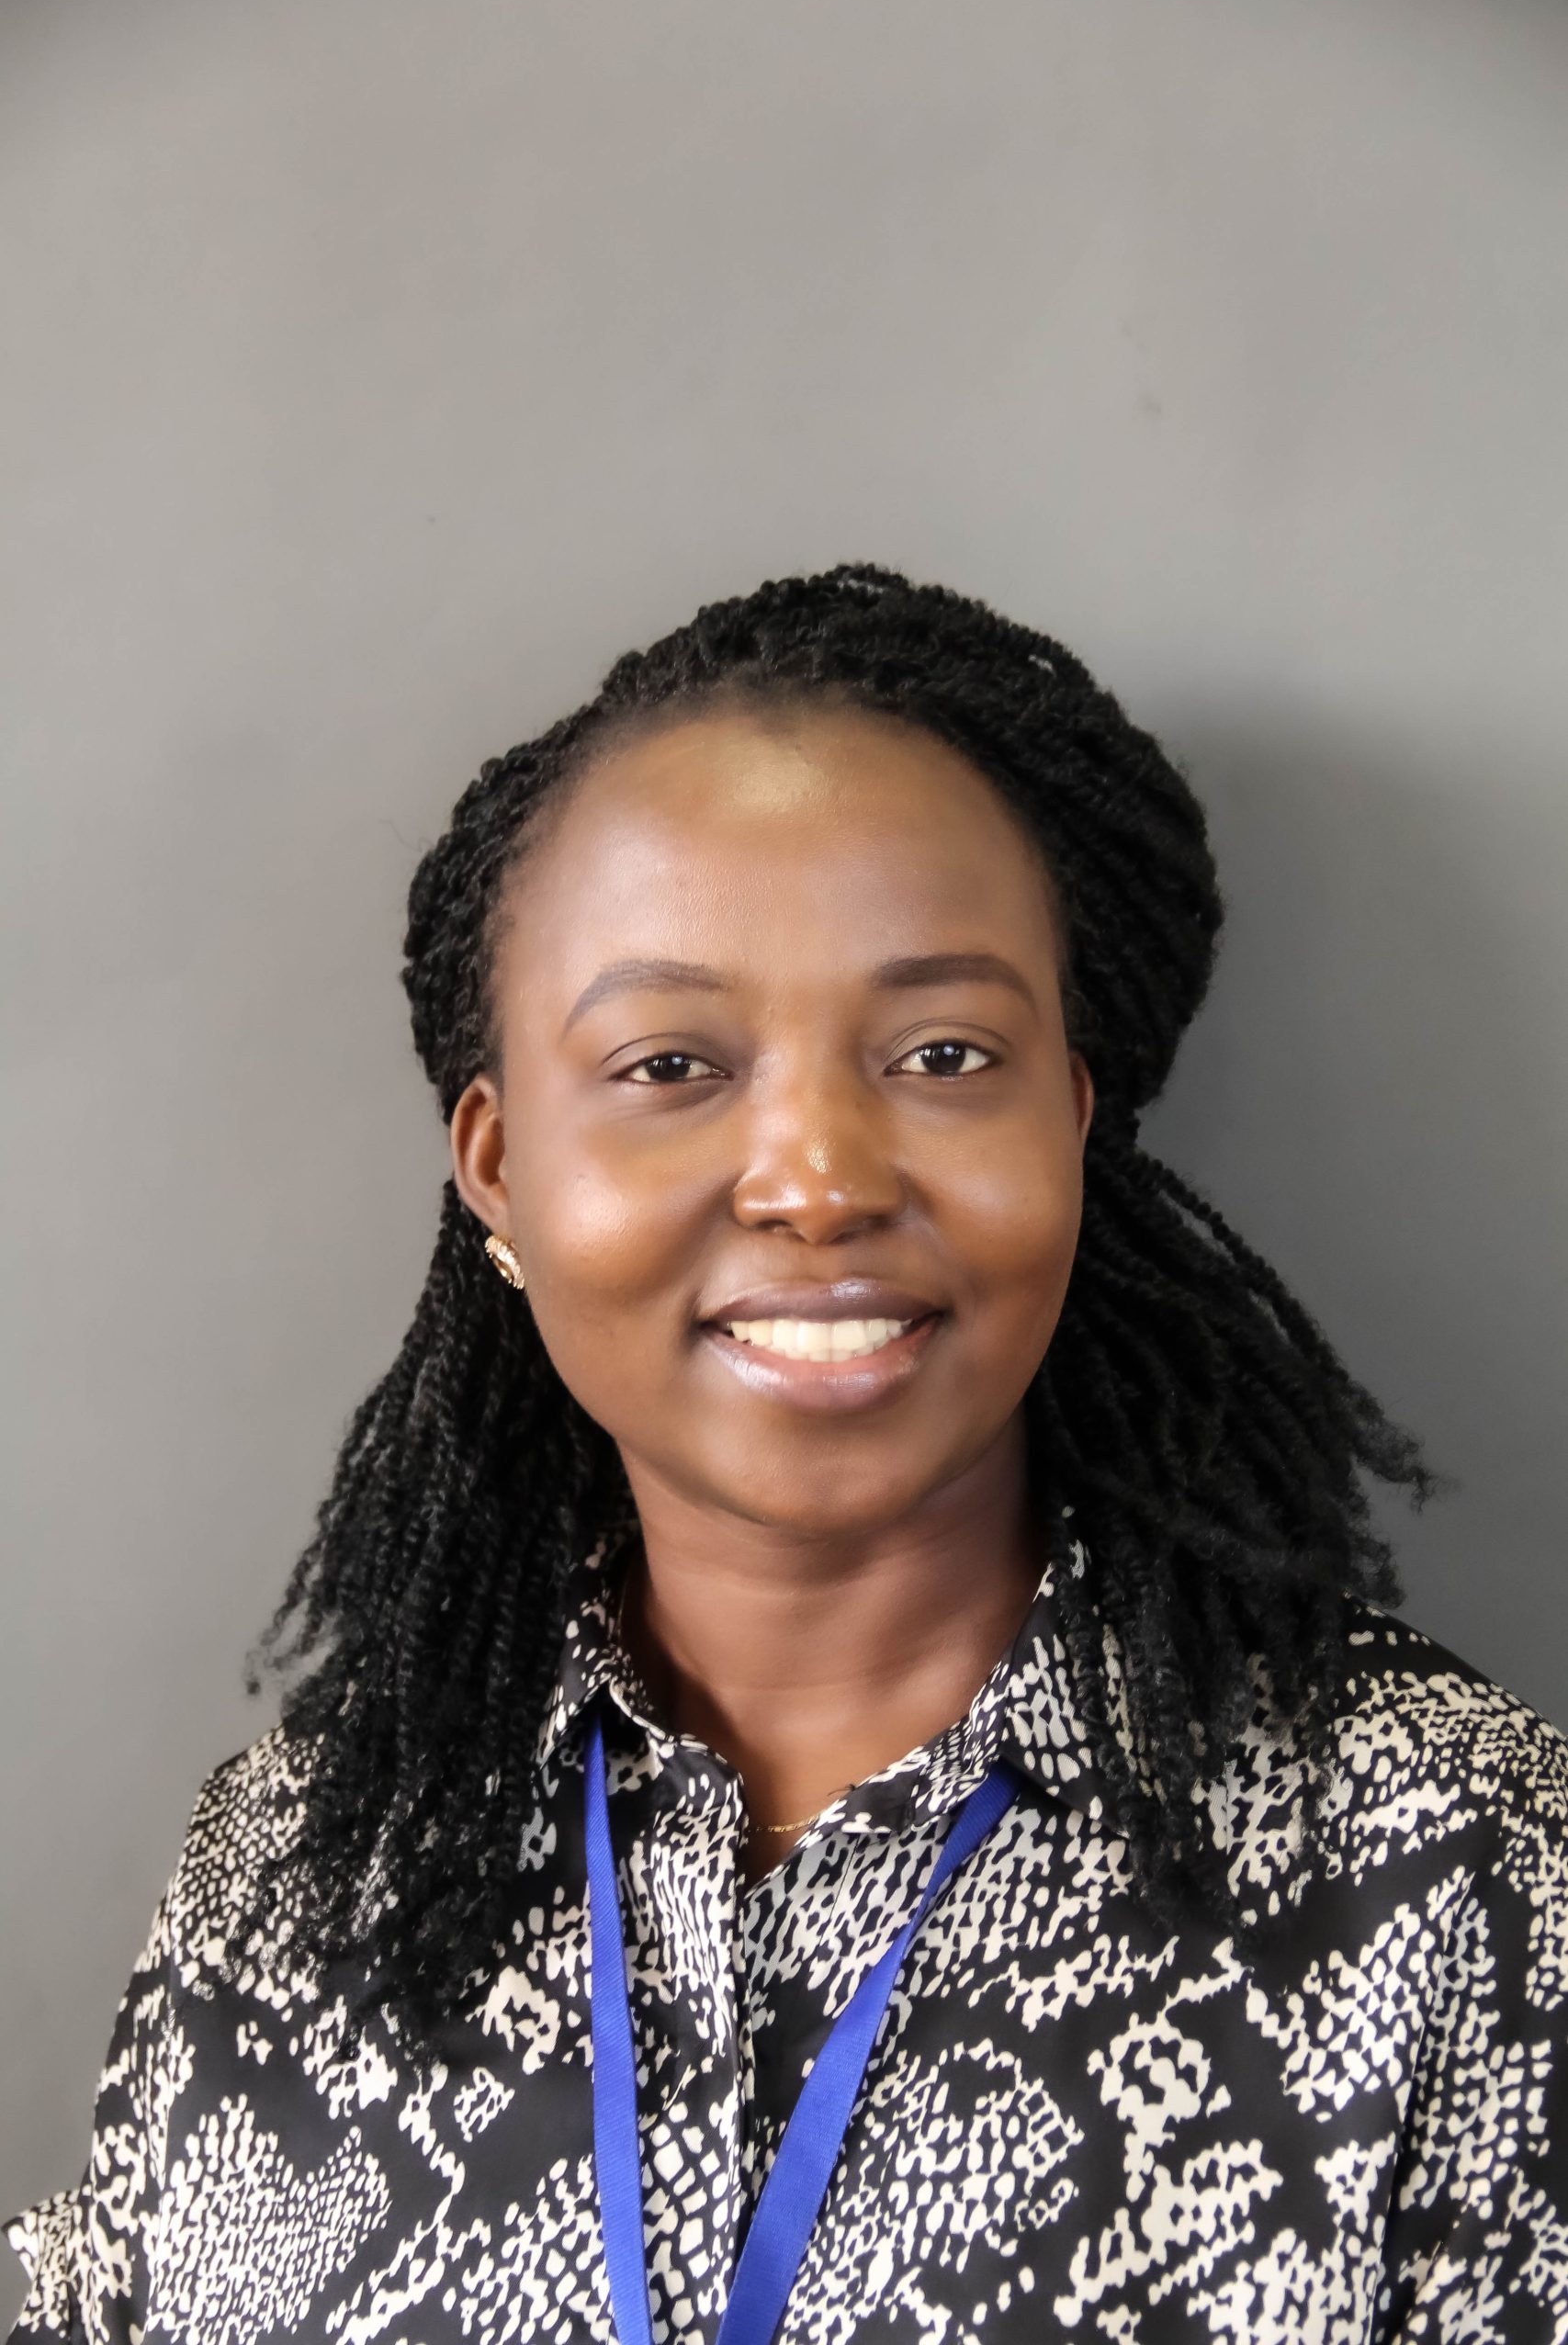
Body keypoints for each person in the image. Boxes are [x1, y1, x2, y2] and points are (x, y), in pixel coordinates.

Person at [7, 563, 1566, 2345]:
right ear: (499, 1167)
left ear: (1071, 1125)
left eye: (943, 1051)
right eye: (671, 1062)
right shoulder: (291, 1873)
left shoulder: (1447, 1864)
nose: (819, 1181)